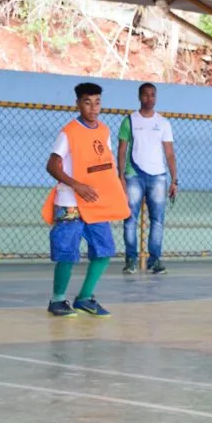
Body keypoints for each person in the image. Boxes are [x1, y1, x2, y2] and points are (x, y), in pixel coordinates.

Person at [41, 82, 130, 317]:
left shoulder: (104, 131)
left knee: (104, 250)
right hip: (70, 200)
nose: (93, 107)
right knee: (67, 252)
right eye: (87, 102)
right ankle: (57, 300)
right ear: (78, 104)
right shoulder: (68, 132)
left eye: (97, 102)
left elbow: (107, 165)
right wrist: (76, 185)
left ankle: (84, 298)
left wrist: (118, 187)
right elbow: (52, 165)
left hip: (95, 201)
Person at [118, 83, 178, 275]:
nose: (149, 98)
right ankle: (131, 260)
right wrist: (120, 176)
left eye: (153, 95)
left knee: (157, 220)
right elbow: (121, 150)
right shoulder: (130, 121)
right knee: (130, 219)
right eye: (145, 95)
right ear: (139, 97)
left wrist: (174, 179)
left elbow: (169, 153)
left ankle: (154, 261)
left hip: (158, 176)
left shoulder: (163, 123)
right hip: (133, 175)